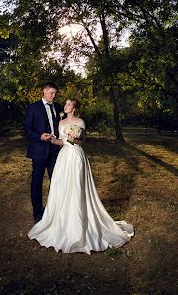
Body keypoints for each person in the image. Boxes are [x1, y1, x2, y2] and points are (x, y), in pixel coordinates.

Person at [28, 98, 134, 254]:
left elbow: (82, 140)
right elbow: (61, 142)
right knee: (62, 187)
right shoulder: (61, 122)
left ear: (74, 108)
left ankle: (79, 223)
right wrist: (51, 139)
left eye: (69, 104)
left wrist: (74, 137)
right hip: (63, 158)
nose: (65, 105)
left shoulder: (80, 121)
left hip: (76, 157)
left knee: (77, 186)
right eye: (65, 103)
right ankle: (62, 221)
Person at [24, 81, 63, 223]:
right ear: (44, 91)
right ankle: (38, 214)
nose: (53, 96)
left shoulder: (58, 107)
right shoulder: (33, 108)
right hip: (39, 150)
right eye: (51, 93)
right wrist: (39, 136)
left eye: (55, 93)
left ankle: (54, 210)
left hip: (55, 150)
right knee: (37, 182)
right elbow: (27, 129)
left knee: (57, 181)